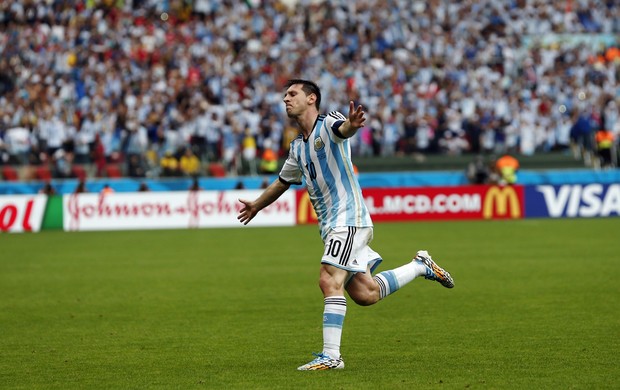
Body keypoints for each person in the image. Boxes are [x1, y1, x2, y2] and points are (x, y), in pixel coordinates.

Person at [237, 79, 454, 371]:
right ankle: (420, 265)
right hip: (332, 226)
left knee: (328, 280)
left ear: (312, 98)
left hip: (348, 219)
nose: (285, 99)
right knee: (366, 294)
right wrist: (256, 205)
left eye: (292, 94)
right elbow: (282, 181)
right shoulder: (298, 147)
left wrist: (352, 125)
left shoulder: (330, 123)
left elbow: (343, 131)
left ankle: (331, 356)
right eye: (284, 95)